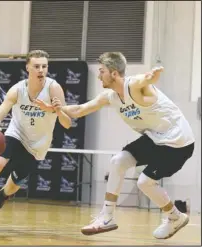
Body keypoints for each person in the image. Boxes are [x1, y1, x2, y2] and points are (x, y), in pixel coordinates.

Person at [36, 51, 195, 239]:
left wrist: (150, 77)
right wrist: (57, 109)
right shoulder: (109, 96)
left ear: (113, 73)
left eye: (102, 71)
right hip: (155, 138)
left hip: (178, 142)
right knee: (118, 161)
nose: (98, 75)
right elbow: (79, 110)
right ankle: (107, 216)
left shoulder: (134, 86)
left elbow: (142, 81)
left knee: (145, 182)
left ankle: (174, 216)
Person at [0, 49, 72, 232]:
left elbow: (67, 124)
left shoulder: (53, 88)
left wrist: (58, 110)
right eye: (36, 66)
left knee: (13, 184)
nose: (41, 70)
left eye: (44, 66)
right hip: (16, 134)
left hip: (37, 145)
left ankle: (3, 195)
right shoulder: (18, 89)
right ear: (28, 67)